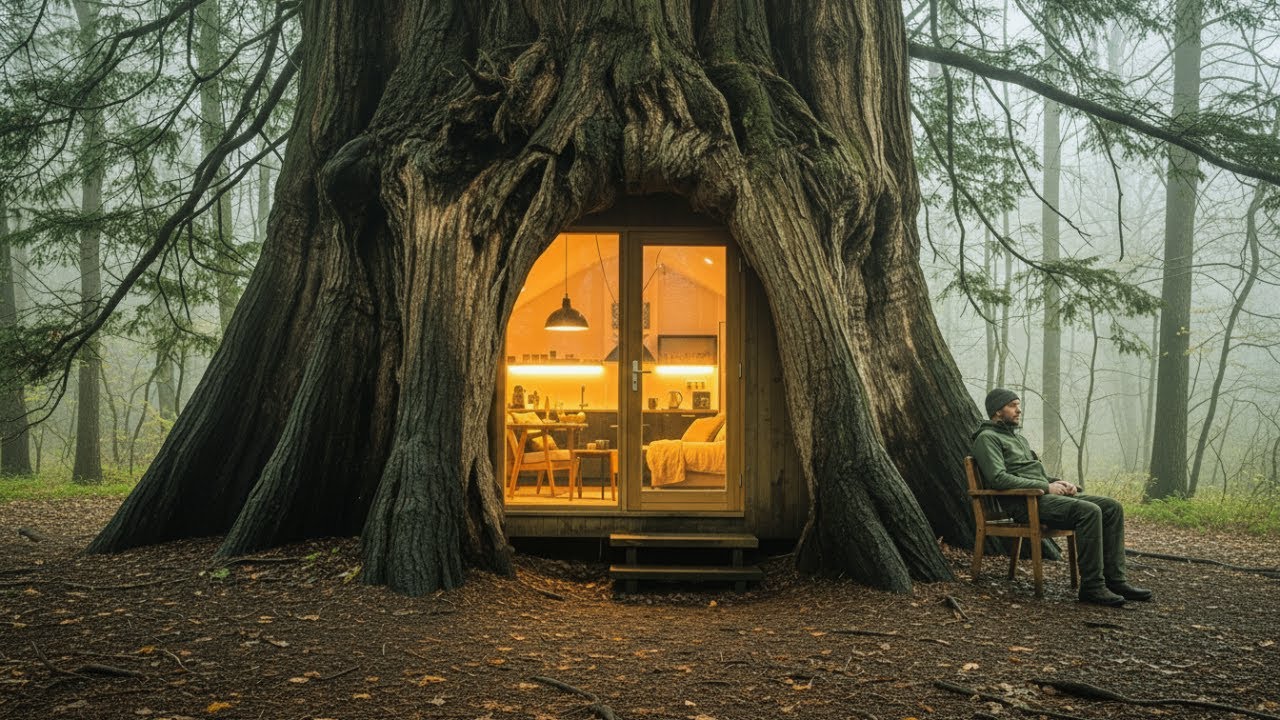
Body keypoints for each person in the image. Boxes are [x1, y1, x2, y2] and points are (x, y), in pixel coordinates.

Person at [970, 388, 1152, 606]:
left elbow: (1034, 475)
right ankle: (1092, 587)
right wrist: (1046, 487)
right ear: (997, 411)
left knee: (1112, 507)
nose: (1019, 410)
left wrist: (1061, 483)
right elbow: (998, 479)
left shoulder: (1019, 439)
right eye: (1012, 405)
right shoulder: (987, 438)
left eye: (1018, 405)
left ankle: (1116, 581)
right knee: (1089, 511)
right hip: (1025, 504)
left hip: (1042, 498)